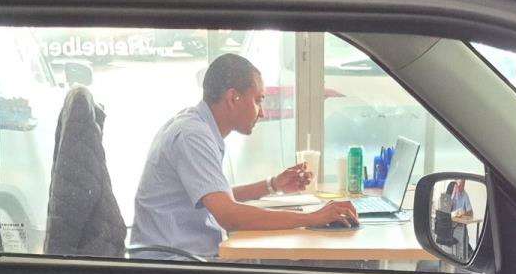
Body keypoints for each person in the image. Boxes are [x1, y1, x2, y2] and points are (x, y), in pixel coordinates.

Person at [129, 52, 358, 260]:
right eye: (258, 100)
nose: (262, 112)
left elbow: (219, 198)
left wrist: (273, 185)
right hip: (175, 266)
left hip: (185, 259)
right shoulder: (193, 136)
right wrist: (312, 218)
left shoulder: (196, 126)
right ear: (233, 98)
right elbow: (229, 214)